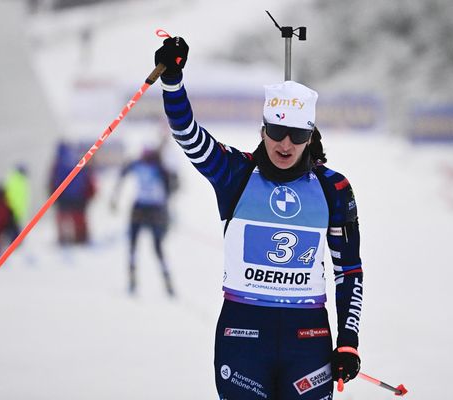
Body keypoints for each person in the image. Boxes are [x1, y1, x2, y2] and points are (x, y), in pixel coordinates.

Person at [154, 37, 364, 399]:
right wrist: (173, 80)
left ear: (310, 136)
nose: (285, 144)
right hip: (243, 336)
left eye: (297, 135)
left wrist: (348, 341)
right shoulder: (234, 172)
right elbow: (187, 134)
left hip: (308, 340)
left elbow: (349, 270)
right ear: (262, 130)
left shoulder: (334, 187)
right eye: (277, 132)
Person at [110, 141, 179, 296]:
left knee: (155, 247)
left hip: (151, 209)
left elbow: (172, 187)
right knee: (139, 246)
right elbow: (122, 175)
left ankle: (166, 282)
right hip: (146, 208)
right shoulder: (149, 166)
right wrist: (115, 198)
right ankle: (134, 281)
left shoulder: (157, 167)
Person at [49, 141, 96, 245]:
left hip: (65, 198)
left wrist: (53, 196)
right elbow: (88, 179)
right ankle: (80, 237)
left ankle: (66, 238)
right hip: (77, 198)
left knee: (65, 219)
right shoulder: (76, 161)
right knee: (77, 219)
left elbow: (53, 182)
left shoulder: (58, 165)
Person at [4, 164, 30, 239]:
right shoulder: (17, 181)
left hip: (16, 211)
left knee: (15, 230)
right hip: (13, 211)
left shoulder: (16, 180)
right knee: (13, 231)